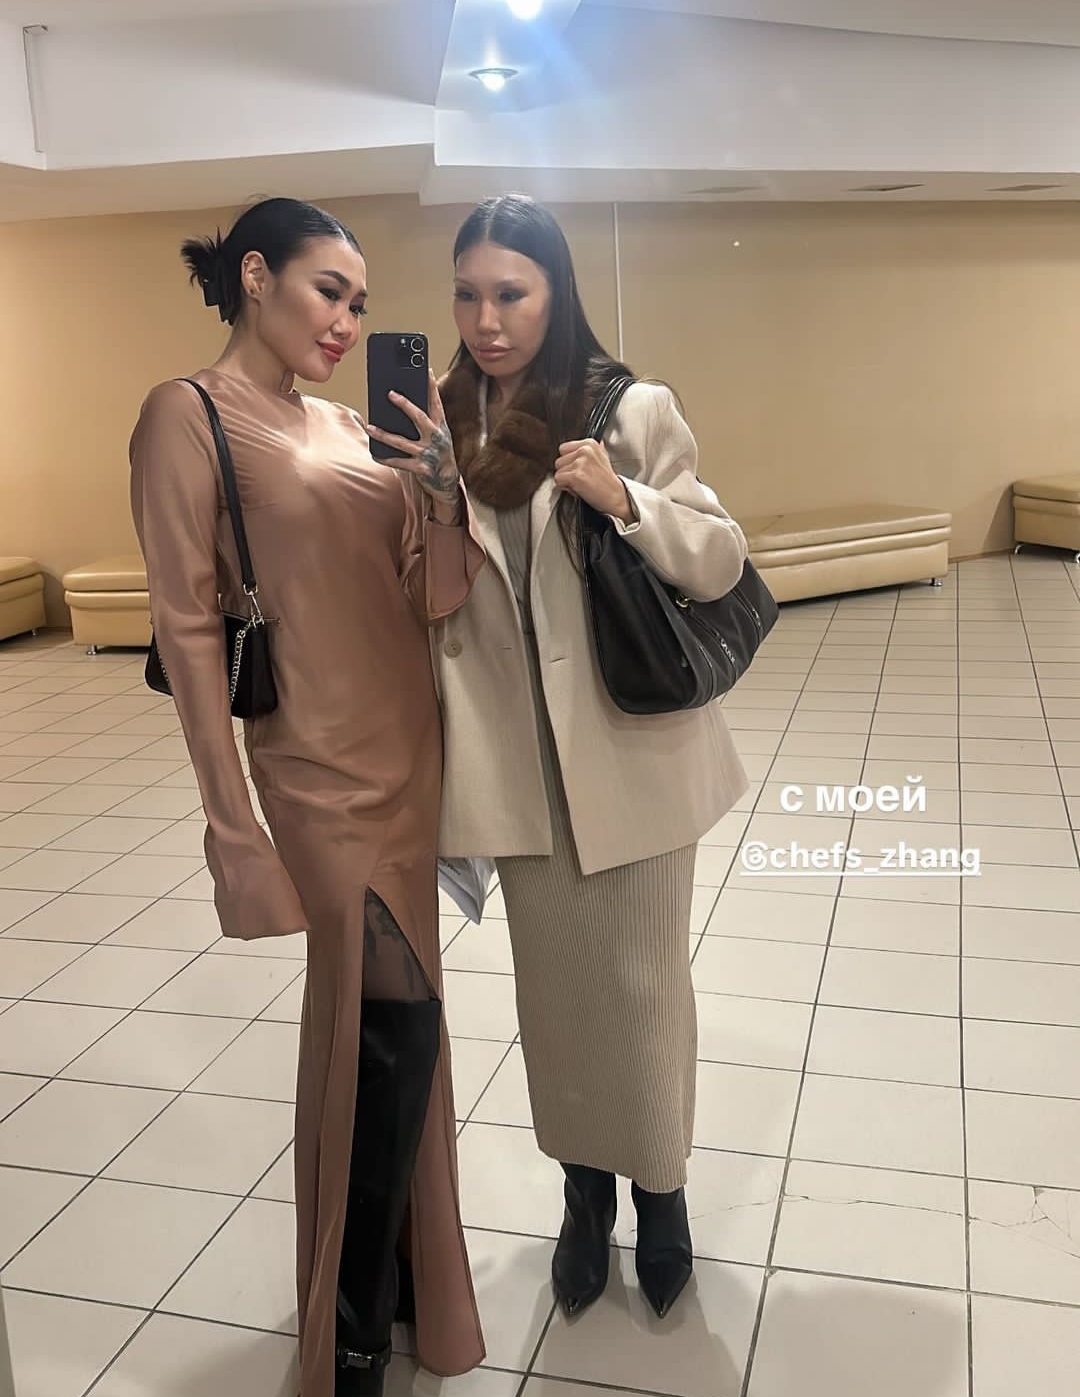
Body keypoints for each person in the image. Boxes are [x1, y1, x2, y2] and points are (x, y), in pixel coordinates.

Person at [128, 197, 485, 1397]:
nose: (348, 320)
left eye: (361, 304)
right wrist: (230, 828)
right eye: (330, 290)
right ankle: (351, 1331)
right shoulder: (185, 415)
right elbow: (187, 626)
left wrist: (442, 493)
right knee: (381, 1027)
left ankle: (403, 1289)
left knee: (402, 1022)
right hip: (314, 769)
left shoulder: (348, 422)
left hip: (410, 750)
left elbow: (432, 594)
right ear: (255, 274)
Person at [425, 194, 749, 1321]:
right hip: (520, 770)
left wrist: (625, 500)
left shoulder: (626, 407)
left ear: (555, 292)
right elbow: (433, 602)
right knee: (557, 999)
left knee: (644, 992)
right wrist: (429, 503)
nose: (486, 320)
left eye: (510, 293)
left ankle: (661, 1192)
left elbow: (719, 558)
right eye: (467, 294)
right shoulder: (445, 429)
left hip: (628, 758)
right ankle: (583, 1196)